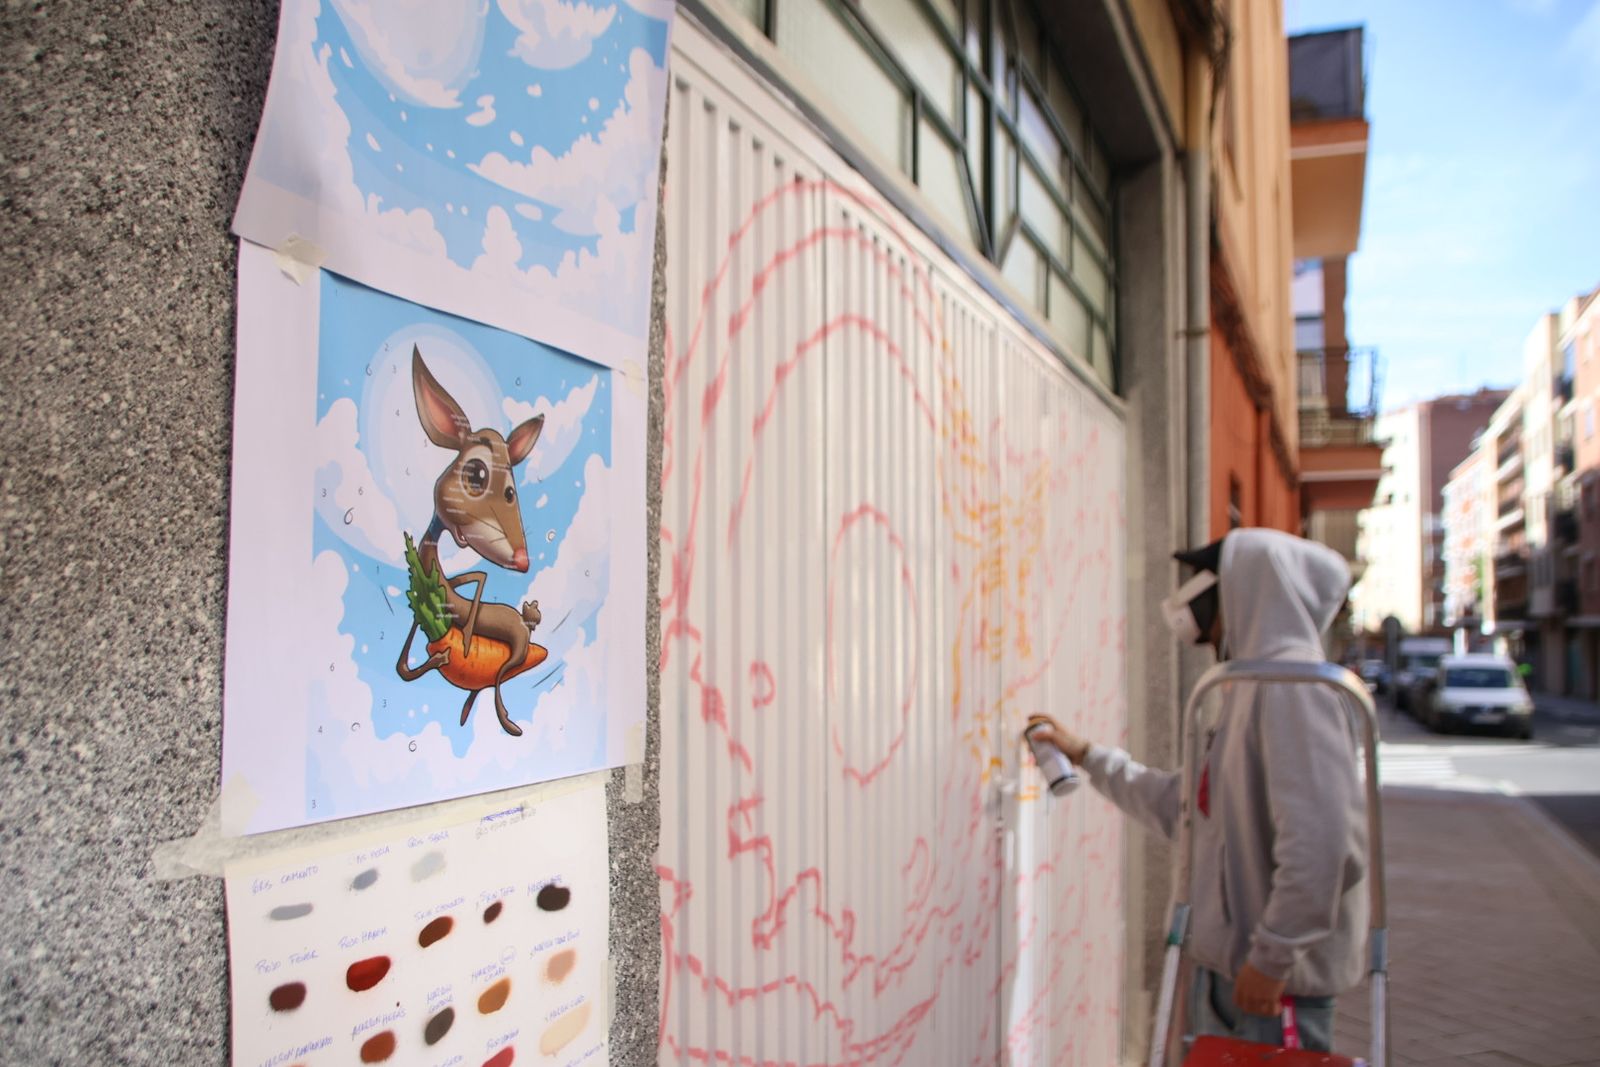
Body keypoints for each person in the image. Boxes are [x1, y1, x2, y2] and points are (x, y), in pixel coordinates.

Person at [1027, 527, 1367, 1053]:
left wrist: (1272, 957)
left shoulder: (1295, 690)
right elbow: (1189, 812)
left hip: (1268, 990)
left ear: (1250, 588)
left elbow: (1323, 842)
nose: (1191, 602)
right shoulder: (1251, 687)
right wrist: (1088, 756)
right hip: (1234, 976)